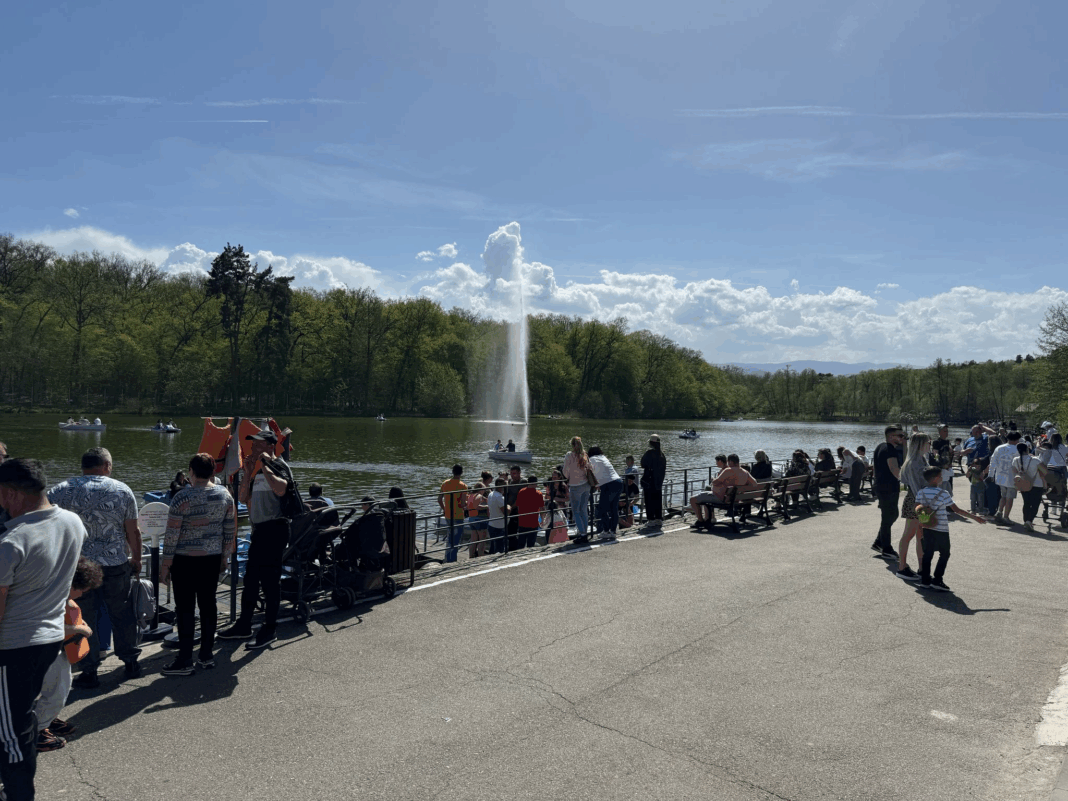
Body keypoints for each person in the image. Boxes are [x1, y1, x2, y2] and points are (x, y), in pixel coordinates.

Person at [0, 458, 84, 801]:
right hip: (49, 638)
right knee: (21, 722)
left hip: (13, 646)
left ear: (10, 493)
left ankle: (19, 795)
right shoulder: (73, 522)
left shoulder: (12, 542)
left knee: (11, 733)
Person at [48, 447, 142, 688]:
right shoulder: (122, 490)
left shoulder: (60, 490)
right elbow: (132, 530)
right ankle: (130, 661)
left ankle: (89, 671)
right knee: (121, 613)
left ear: (83, 466)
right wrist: (137, 559)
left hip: (78, 566)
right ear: (107, 466)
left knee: (83, 617)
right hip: (115, 564)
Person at [159, 454, 237, 676]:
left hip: (184, 560)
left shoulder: (182, 498)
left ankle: (185, 659)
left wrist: (165, 565)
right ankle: (206, 655)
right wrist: (224, 557)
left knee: (185, 608)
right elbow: (229, 531)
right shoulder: (225, 495)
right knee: (208, 605)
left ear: (191, 471)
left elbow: (172, 535)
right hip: (211, 558)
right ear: (213, 472)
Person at [218, 430, 294, 651]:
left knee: (270, 582)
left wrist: (266, 464)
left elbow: (282, 489)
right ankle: (244, 625)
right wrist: (249, 471)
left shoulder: (279, 466)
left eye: (257, 445)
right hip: (259, 531)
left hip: (276, 528)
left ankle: (269, 629)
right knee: (251, 580)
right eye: (252, 445)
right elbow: (243, 498)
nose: (252, 449)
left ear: (270, 446)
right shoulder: (256, 470)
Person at [34, 556, 102, 753]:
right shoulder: (50, 599)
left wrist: (79, 624)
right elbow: (45, 627)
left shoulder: (51, 591)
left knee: (52, 687)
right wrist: (79, 629)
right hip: (46, 648)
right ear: (71, 586)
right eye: (82, 590)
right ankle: (37, 730)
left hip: (53, 647)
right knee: (59, 689)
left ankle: (46, 717)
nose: (82, 594)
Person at [915, 466, 987, 592]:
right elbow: (957, 510)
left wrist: (921, 525)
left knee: (928, 554)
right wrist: (975, 517)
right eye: (940, 476)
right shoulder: (943, 493)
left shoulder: (921, 492)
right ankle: (937, 579)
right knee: (945, 553)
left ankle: (925, 580)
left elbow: (917, 509)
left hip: (927, 527)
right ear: (935, 478)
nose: (942, 478)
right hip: (941, 529)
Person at [896, 432, 930, 581]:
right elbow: (916, 487)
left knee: (921, 536)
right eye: (927, 442)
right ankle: (902, 567)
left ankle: (922, 568)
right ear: (920, 444)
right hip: (917, 501)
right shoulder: (915, 462)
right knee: (909, 534)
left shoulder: (920, 459)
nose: (929, 445)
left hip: (919, 500)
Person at [689, 454, 757, 528]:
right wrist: (742, 486)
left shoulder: (728, 470)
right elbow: (754, 484)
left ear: (730, 461)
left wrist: (713, 479)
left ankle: (700, 521)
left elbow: (715, 482)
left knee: (692, 499)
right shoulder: (745, 472)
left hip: (722, 498)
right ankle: (708, 518)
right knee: (705, 495)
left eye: (728, 462)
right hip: (736, 499)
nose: (728, 463)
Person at [872, 425, 905, 560]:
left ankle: (879, 542)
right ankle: (886, 549)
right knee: (888, 517)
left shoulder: (880, 446)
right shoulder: (890, 449)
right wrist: (907, 480)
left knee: (892, 514)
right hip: (888, 487)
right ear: (891, 436)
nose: (902, 438)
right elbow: (894, 469)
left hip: (882, 486)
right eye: (900, 435)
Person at [587, 447, 623, 540]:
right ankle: (613, 531)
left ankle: (606, 531)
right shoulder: (603, 457)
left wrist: (595, 485)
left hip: (608, 484)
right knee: (614, 509)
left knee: (602, 509)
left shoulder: (591, 460)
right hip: (618, 481)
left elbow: (589, 473)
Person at [990, 431, 1023, 524]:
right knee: (1010, 498)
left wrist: (991, 474)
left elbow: (993, 461)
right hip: (1012, 477)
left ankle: (999, 512)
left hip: (1000, 476)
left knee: (1003, 496)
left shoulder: (999, 448)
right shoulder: (1018, 449)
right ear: (1017, 439)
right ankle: (1006, 517)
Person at [563, 437, 593, 542]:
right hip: (586, 485)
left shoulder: (569, 455)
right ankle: (585, 532)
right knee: (583, 510)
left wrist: (569, 475)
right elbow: (591, 468)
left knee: (576, 511)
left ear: (572, 445)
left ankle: (583, 534)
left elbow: (565, 473)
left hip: (575, 486)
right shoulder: (584, 455)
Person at [437, 464, 468, 564]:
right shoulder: (463, 486)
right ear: (461, 472)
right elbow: (462, 504)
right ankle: (452, 560)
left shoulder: (445, 483)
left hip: (448, 514)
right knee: (456, 538)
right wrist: (467, 503)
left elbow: (439, 499)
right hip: (458, 515)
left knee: (450, 537)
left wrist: (444, 508)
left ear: (452, 472)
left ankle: (447, 558)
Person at [1011, 442, 1045, 532]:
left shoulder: (1015, 460)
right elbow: (1045, 471)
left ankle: (1026, 521)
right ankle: (1029, 521)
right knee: (1035, 504)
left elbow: (1014, 471)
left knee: (1026, 503)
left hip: (1023, 484)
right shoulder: (1035, 460)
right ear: (1027, 449)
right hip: (1037, 484)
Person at [640, 435, 667, 526]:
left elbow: (642, 464)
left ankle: (651, 519)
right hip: (658, 482)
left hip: (649, 481)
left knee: (649, 500)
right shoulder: (662, 454)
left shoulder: (649, 453)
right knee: (658, 500)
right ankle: (658, 518)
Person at [516, 475, 545, 548]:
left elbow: (518, 506)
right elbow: (542, 509)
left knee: (521, 543)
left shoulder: (521, 491)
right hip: (533, 522)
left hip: (522, 521)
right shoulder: (539, 494)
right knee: (531, 544)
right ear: (536, 483)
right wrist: (542, 520)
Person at [930, 424, 955, 497]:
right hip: (941, 468)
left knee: (949, 488)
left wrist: (950, 462)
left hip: (948, 468)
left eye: (947, 431)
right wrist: (940, 463)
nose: (946, 433)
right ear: (940, 432)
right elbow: (935, 454)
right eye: (944, 431)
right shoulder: (936, 442)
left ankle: (948, 502)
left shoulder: (947, 442)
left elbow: (949, 454)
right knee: (941, 489)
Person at [466, 482, 489, 558]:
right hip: (479, 518)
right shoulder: (478, 496)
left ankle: (471, 555)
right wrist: (487, 506)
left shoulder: (470, 495)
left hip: (471, 518)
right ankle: (481, 555)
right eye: (484, 489)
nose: (484, 491)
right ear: (480, 489)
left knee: (473, 540)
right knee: (482, 539)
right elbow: (477, 507)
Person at [487, 478, 507, 554]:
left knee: (492, 547)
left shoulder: (491, 494)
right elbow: (505, 511)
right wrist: (509, 507)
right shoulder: (499, 497)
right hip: (499, 526)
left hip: (492, 523)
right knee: (500, 548)